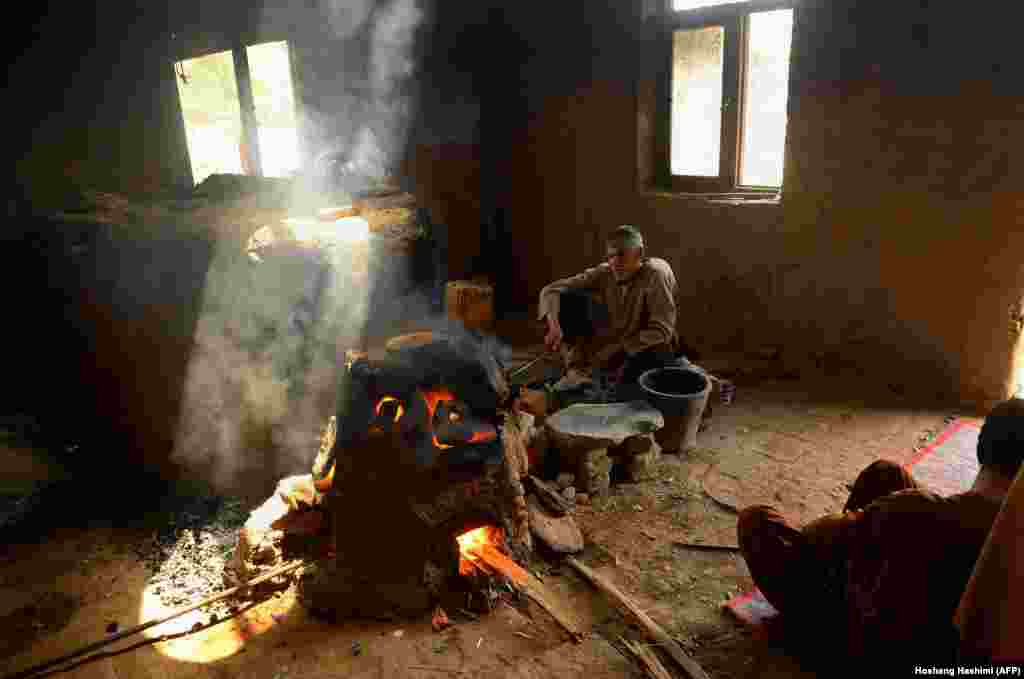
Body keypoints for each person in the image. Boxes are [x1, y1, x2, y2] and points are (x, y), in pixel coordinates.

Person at [736, 398, 1024, 668]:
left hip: (880, 649)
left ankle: (821, 633)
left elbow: (817, 536)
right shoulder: (1012, 530)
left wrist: (859, 527)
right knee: (886, 474)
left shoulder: (913, 511)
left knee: (756, 522)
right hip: (944, 641)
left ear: (981, 446)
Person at [537, 225, 679, 390]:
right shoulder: (606, 271)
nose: (614, 262)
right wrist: (554, 326)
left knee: (639, 377)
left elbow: (662, 331)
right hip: (615, 341)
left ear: (639, 253)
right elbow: (551, 290)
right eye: (610, 255)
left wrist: (618, 349)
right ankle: (576, 368)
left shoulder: (656, 274)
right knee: (567, 298)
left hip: (645, 346)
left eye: (621, 254)